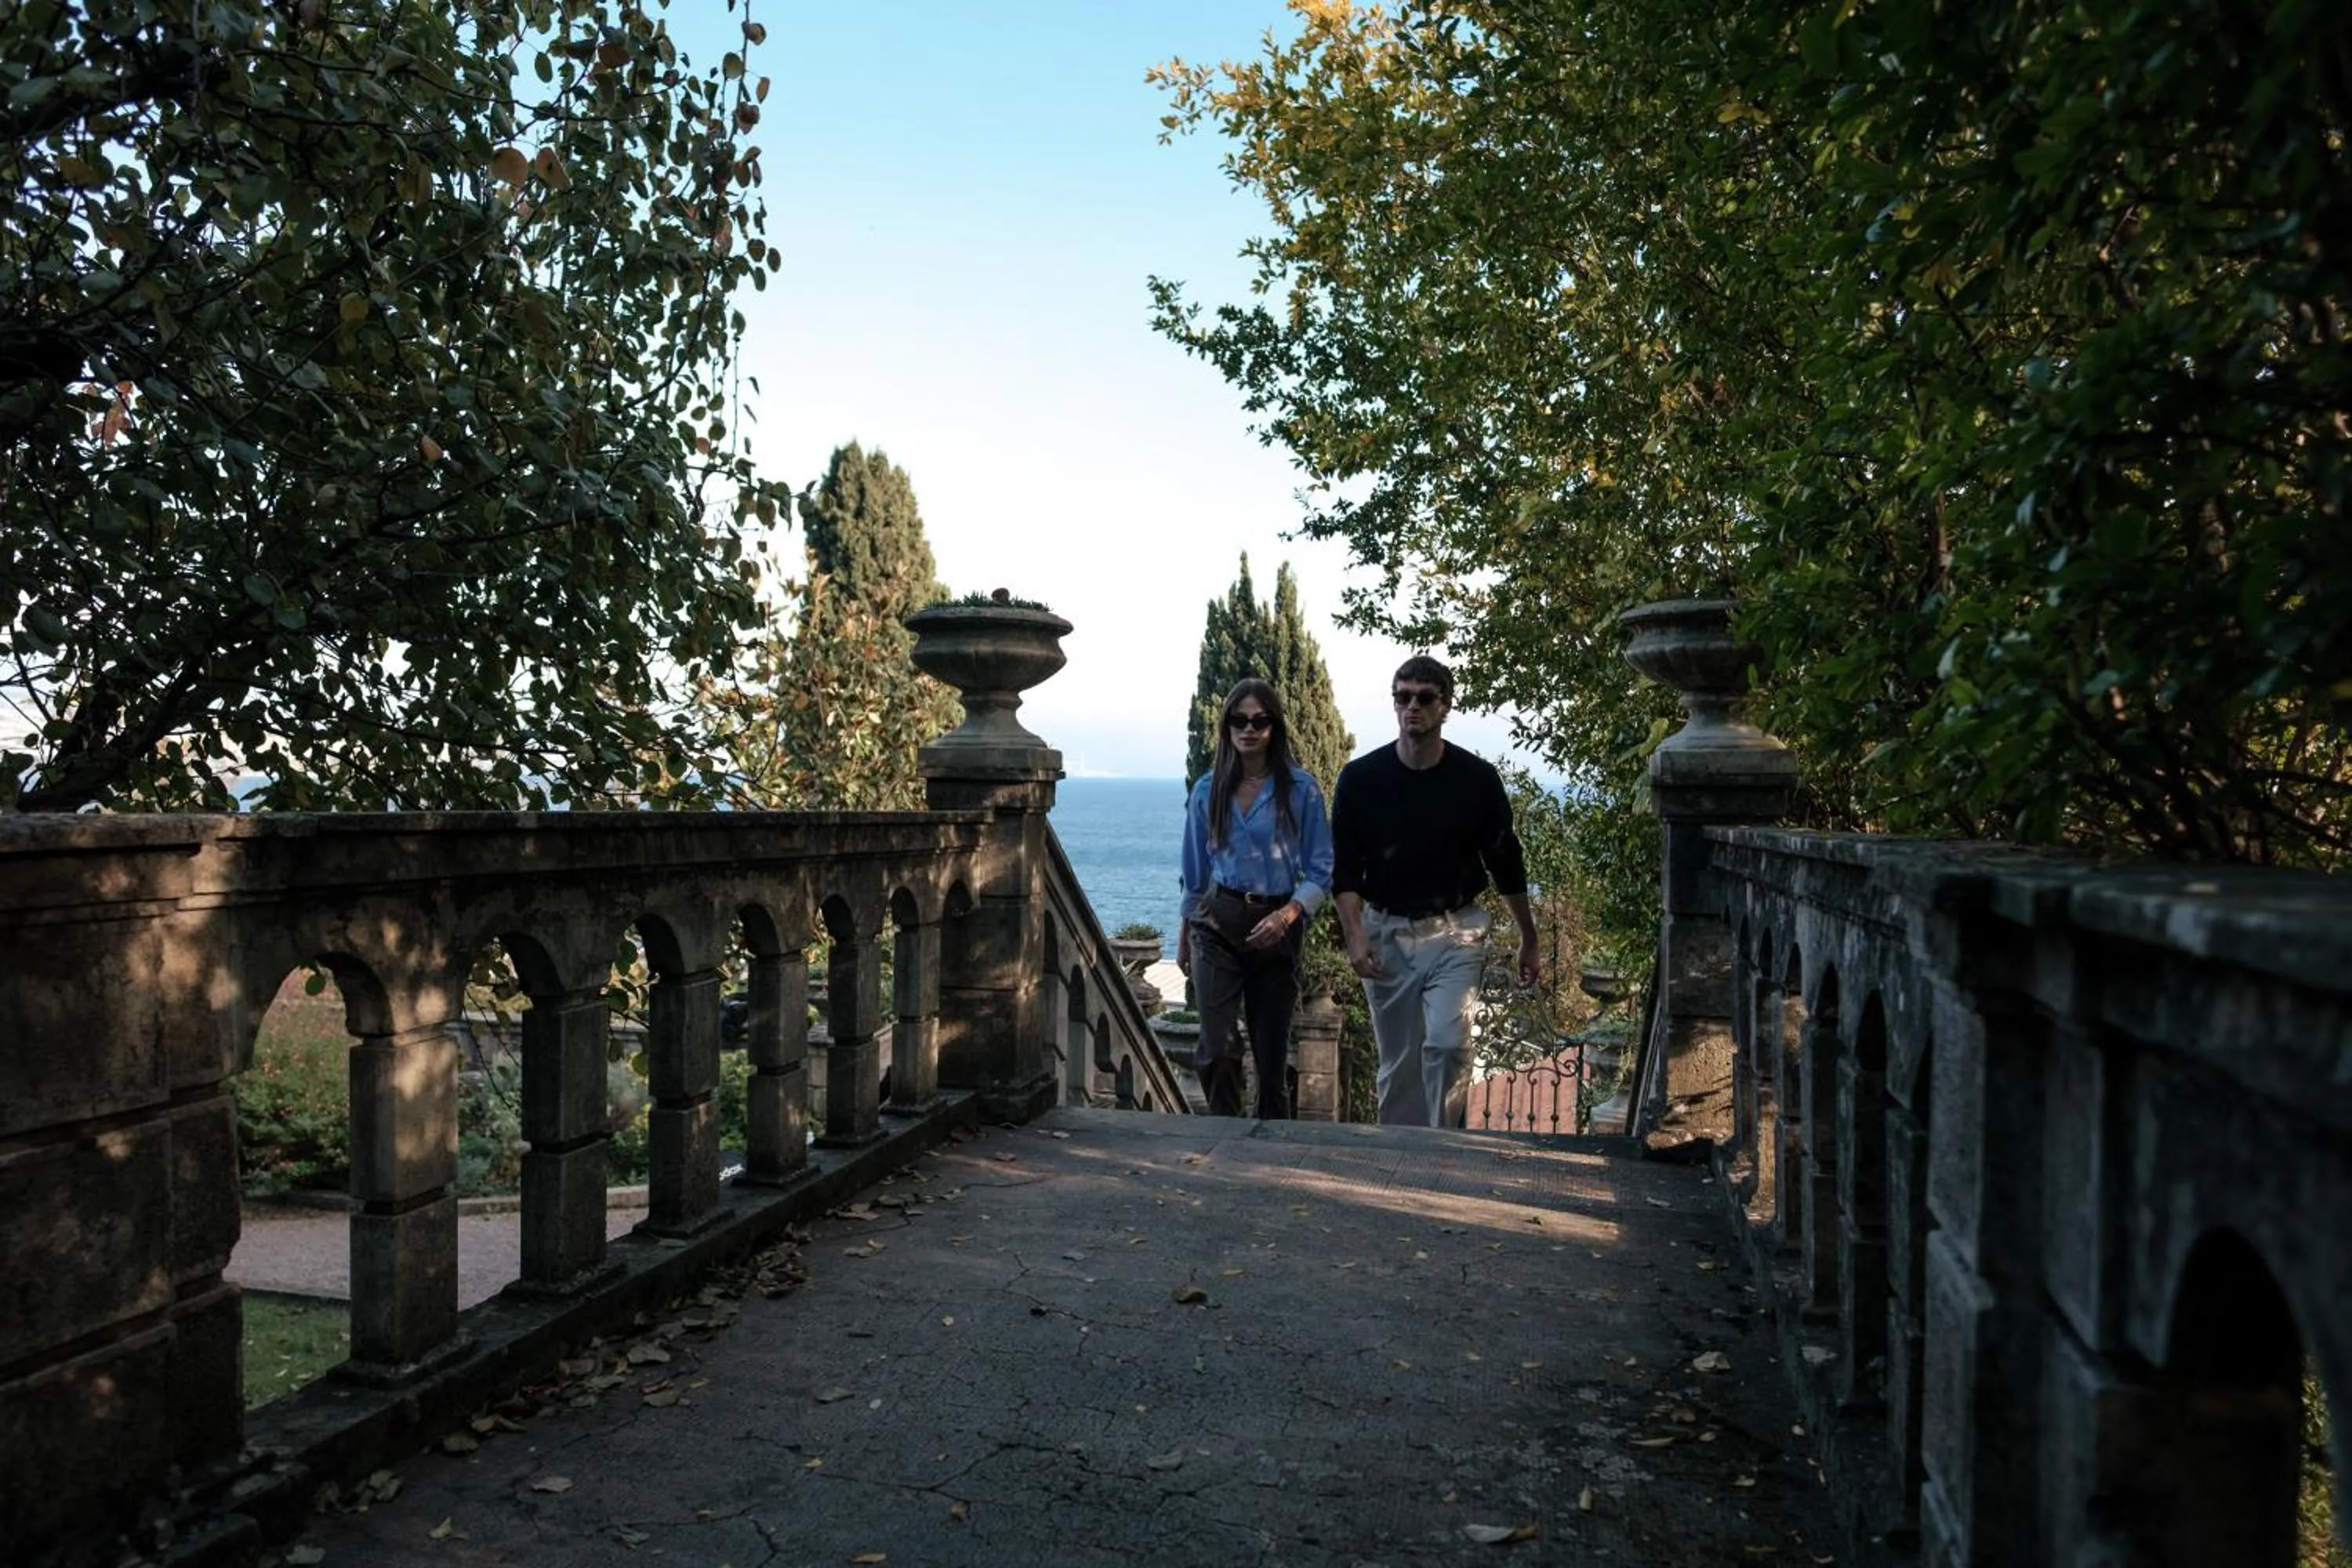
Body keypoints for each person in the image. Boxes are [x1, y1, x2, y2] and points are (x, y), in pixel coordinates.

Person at [1331, 655, 1540, 1128]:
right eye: (1403, 697)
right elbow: (1344, 871)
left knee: (1448, 1045)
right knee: (1400, 1067)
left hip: (1456, 933)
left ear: (1446, 706)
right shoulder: (1360, 781)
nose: (1412, 707)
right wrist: (1355, 935)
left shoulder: (1477, 781)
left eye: (1425, 698)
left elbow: (1506, 862)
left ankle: (1444, 1152)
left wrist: (1529, 936)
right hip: (1387, 933)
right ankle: (1400, 1166)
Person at [1177, 678, 1334, 1119]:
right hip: (1217, 922)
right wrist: (1185, 933)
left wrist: (1288, 915)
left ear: (1274, 727)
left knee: (1270, 1061)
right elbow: (1194, 873)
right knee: (1218, 1049)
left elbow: (1322, 869)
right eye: (1238, 720)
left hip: (1277, 925)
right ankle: (1224, 1140)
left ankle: (1271, 1157)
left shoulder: (1301, 790)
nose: (1249, 729)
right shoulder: (1207, 791)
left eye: (1259, 721)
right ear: (1227, 727)